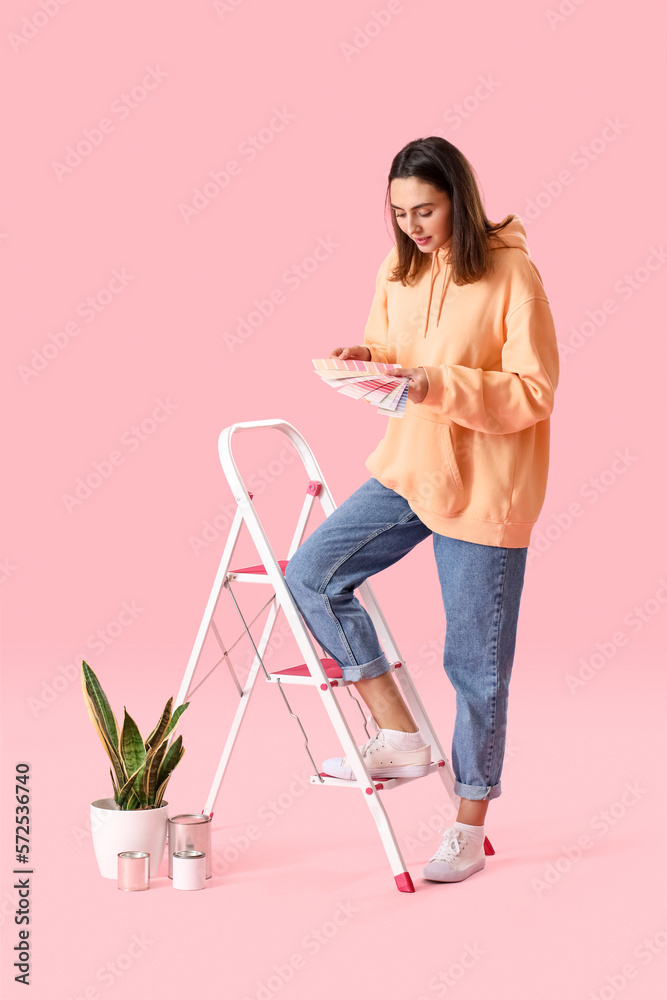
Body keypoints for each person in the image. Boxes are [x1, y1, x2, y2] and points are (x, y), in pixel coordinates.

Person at [283, 136, 559, 883]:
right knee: (309, 573)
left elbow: (533, 391)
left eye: (426, 210)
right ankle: (398, 730)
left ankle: (467, 825)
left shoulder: (511, 274)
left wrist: (435, 382)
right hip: (411, 471)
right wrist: (365, 361)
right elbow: (392, 347)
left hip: (485, 489)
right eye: (400, 212)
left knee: (474, 667)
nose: (413, 225)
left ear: (458, 201)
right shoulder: (396, 269)